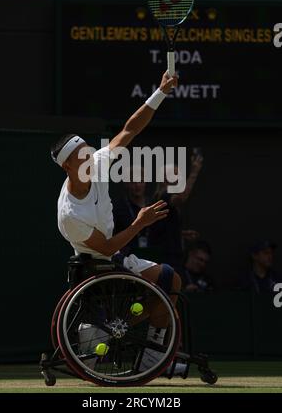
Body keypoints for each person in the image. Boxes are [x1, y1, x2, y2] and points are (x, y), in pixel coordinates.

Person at [50, 71, 186, 375]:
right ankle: (108, 330)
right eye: (81, 153)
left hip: (116, 257)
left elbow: (130, 129)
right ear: (68, 166)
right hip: (97, 264)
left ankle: (151, 355)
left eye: (87, 149)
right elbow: (108, 246)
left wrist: (160, 92)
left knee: (171, 281)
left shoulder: (96, 164)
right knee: (164, 287)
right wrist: (140, 223)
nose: (89, 154)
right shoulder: (70, 215)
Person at [148, 156, 202, 276]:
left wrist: (181, 233)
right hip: (165, 256)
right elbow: (182, 198)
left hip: (172, 255)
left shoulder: (167, 198)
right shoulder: (164, 196)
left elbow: (164, 227)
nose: (178, 178)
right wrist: (194, 172)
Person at [113, 166, 150, 251]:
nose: (137, 185)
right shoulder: (118, 208)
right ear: (126, 184)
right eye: (133, 182)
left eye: (141, 181)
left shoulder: (151, 205)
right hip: (128, 256)